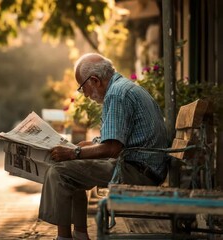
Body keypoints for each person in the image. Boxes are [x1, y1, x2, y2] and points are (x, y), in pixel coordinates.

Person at [38, 53, 168, 240]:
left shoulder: (116, 94)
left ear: (94, 80)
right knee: (72, 172)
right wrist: (86, 146)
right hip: (143, 167)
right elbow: (113, 140)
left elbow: (112, 148)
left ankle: (64, 238)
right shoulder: (123, 88)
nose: (86, 94)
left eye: (83, 88)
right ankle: (80, 234)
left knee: (60, 172)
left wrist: (74, 152)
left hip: (138, 172)